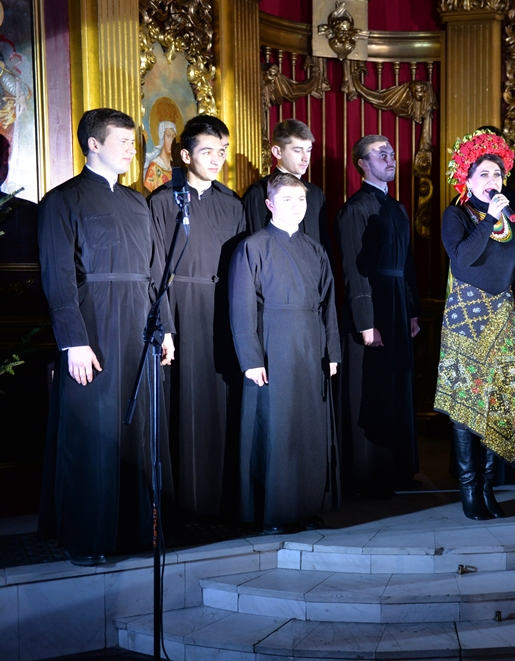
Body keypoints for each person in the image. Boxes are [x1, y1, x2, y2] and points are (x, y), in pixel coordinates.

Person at [37, 108, 175, 565]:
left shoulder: (139, 202)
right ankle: (87, 538)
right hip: (92, 329)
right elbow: (58, 278)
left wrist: (165, 329)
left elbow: (156, 273)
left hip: (139, 328)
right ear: (93, 144)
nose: (133, 149)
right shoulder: (62, 200)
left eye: (134, 142)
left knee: (138, 431)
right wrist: (72, 341)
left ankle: (135, 531)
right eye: (124, 142)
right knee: (93, 433)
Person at [229, 173, 342, 533]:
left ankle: (307, 506)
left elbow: (329, 305)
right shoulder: (253, 247)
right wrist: (250, 359)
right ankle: (274, 514)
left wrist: (333, 352)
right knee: (275, 428)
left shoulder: (315, 250)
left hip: (311, 346)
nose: (296, 207)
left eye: (301, 200)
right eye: (287, 200)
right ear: (270, 204)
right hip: (272, 345)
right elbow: (241, 307)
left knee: (308, 429)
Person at [148, 115, 246, 517]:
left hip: (224, 310)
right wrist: (166, 327)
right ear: (186, 155)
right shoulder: (162, 201)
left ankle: (224, 499)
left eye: (222, 151)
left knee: (224, 401)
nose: (217, 159)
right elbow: (155, 268)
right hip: (182, 307)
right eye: (207, 151)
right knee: (185, 402)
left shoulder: (233, 202)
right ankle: (185, 503)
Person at [435, 129, 515, 520]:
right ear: (468, 179)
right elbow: (463, 257)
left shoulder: (511, 219)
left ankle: (490, 486)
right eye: (484, 175)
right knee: (467, 404)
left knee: (500, 402)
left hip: (504, 317)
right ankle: (469, 489)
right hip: (467, 320)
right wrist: (488, 219)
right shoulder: (456, 215)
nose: (492, 181)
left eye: (497, 174)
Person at [335, 134, 421, 497]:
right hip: (373, 306)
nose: (390, 158)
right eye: (381, 154)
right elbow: (354, 270)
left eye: (391, 152)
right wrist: (366, 321)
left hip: (399, 304)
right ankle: (368, 474)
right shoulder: (355, 208)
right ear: (362, 164)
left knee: (397, 385)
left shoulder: (398, 208)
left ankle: (398, 468)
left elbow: (408, 263)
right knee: (372, 387)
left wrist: (413, 311)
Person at [241, 119, 328, 247]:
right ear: (277, 152)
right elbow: (256, 247)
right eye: (298, 150)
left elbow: (324, 245)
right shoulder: (259, 193)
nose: (305, 158)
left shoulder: (316, 194)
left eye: (308, 150)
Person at [143, 120, 176, 193]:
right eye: (168, 136)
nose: (171, 141)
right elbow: (148, 194)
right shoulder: (154, 166)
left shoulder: (174, 167)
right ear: (162, 138)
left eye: (173, 137)